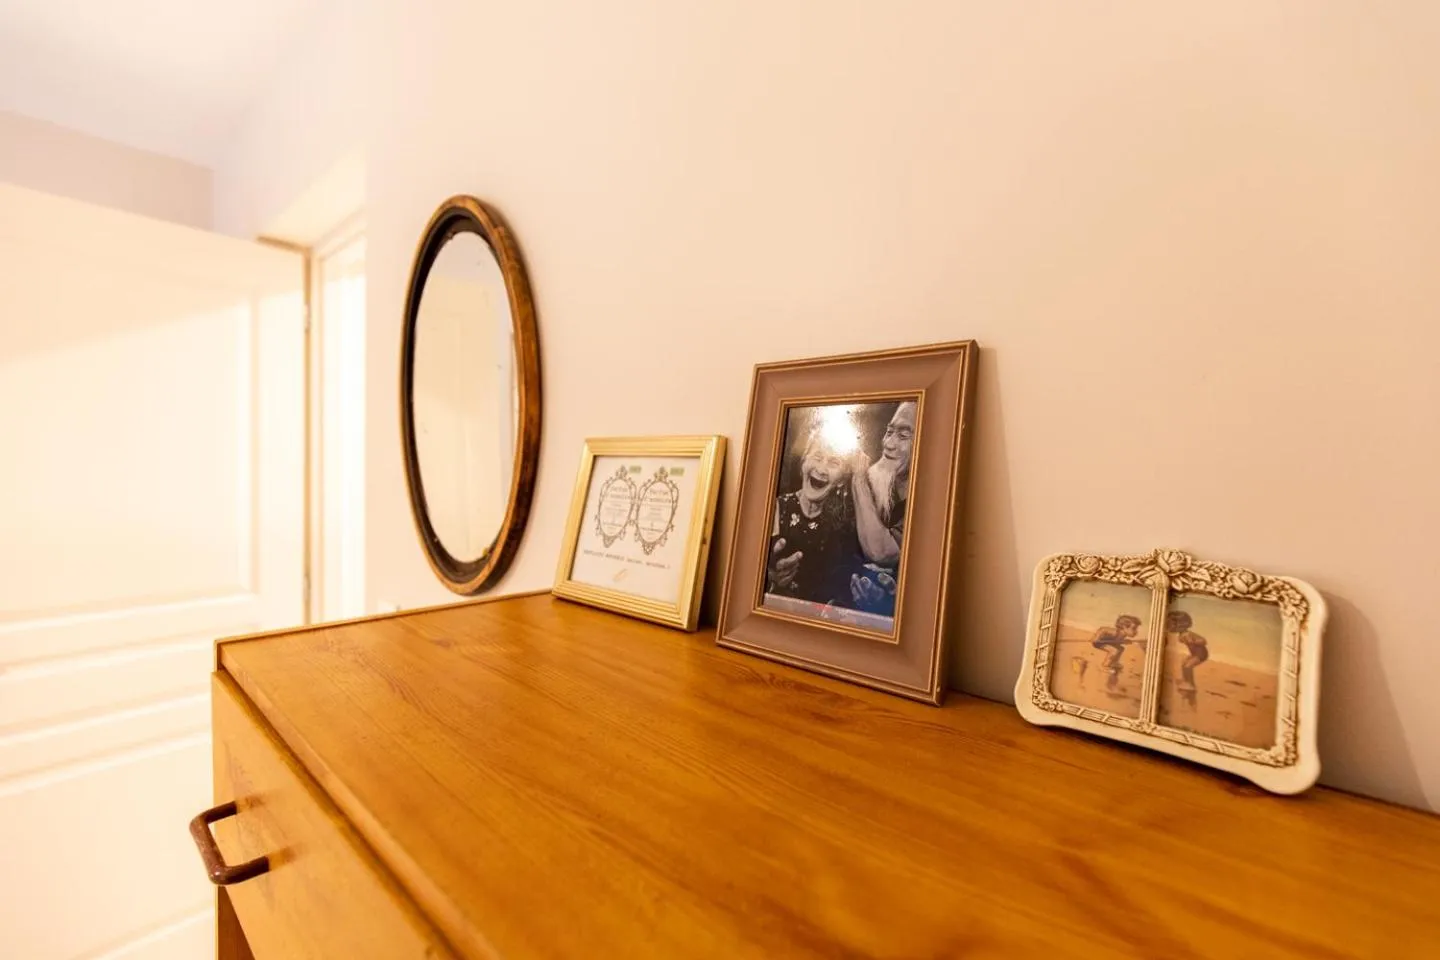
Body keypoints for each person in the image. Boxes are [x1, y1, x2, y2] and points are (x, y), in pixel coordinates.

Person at [766, 430, 854, 605]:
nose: (821, 469)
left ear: (841, 481)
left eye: (833, 462)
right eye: (817, 457)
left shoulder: (843, 526)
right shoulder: (776, 507)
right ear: (803, 463)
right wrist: (769, 574)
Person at [846, 401, 915, 613]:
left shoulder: (930, 498)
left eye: (903, 436)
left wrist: (858, 479)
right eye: (889, 431)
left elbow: (881, 551)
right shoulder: (880, 484)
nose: (889, 444)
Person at [1091, 614, 1141, 690]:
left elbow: (1117, 641)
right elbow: (1102, 629)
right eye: (1133, 628)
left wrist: (1125, 641)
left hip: (1109, 643)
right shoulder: (1115, 632)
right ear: (1124, 627)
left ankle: (1114, 662)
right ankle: (1105, 665)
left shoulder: (1123, 635)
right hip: (1099, 642)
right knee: (1114, 650)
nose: (1136, 632)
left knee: (1121, 649)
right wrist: (1096, 637)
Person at [1168, 610, 1210, 691]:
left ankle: (1190, 684)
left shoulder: (1188, 634)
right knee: (1184, 664)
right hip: (1194, 654)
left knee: (1188, 666)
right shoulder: (1182, 635)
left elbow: (1204, 641)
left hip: (1201, 655)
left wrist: (1195, 642)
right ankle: (1186, 681)